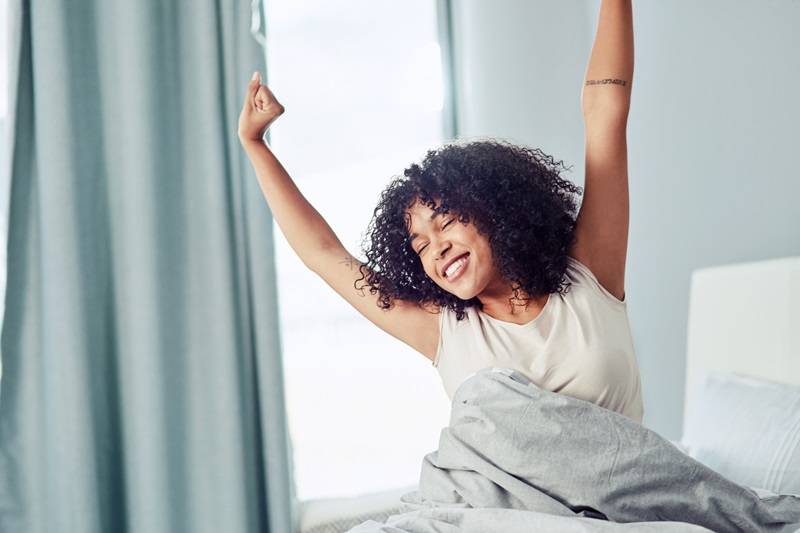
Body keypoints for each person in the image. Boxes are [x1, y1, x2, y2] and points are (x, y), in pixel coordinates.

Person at [237, 0, 642, 421]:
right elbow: (323, 254)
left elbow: (605, 113)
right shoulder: (444, 330)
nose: (437, 250)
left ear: (495, 211)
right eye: (420, 245)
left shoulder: (590, 274)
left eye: (446, 222)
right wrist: (254, 144)